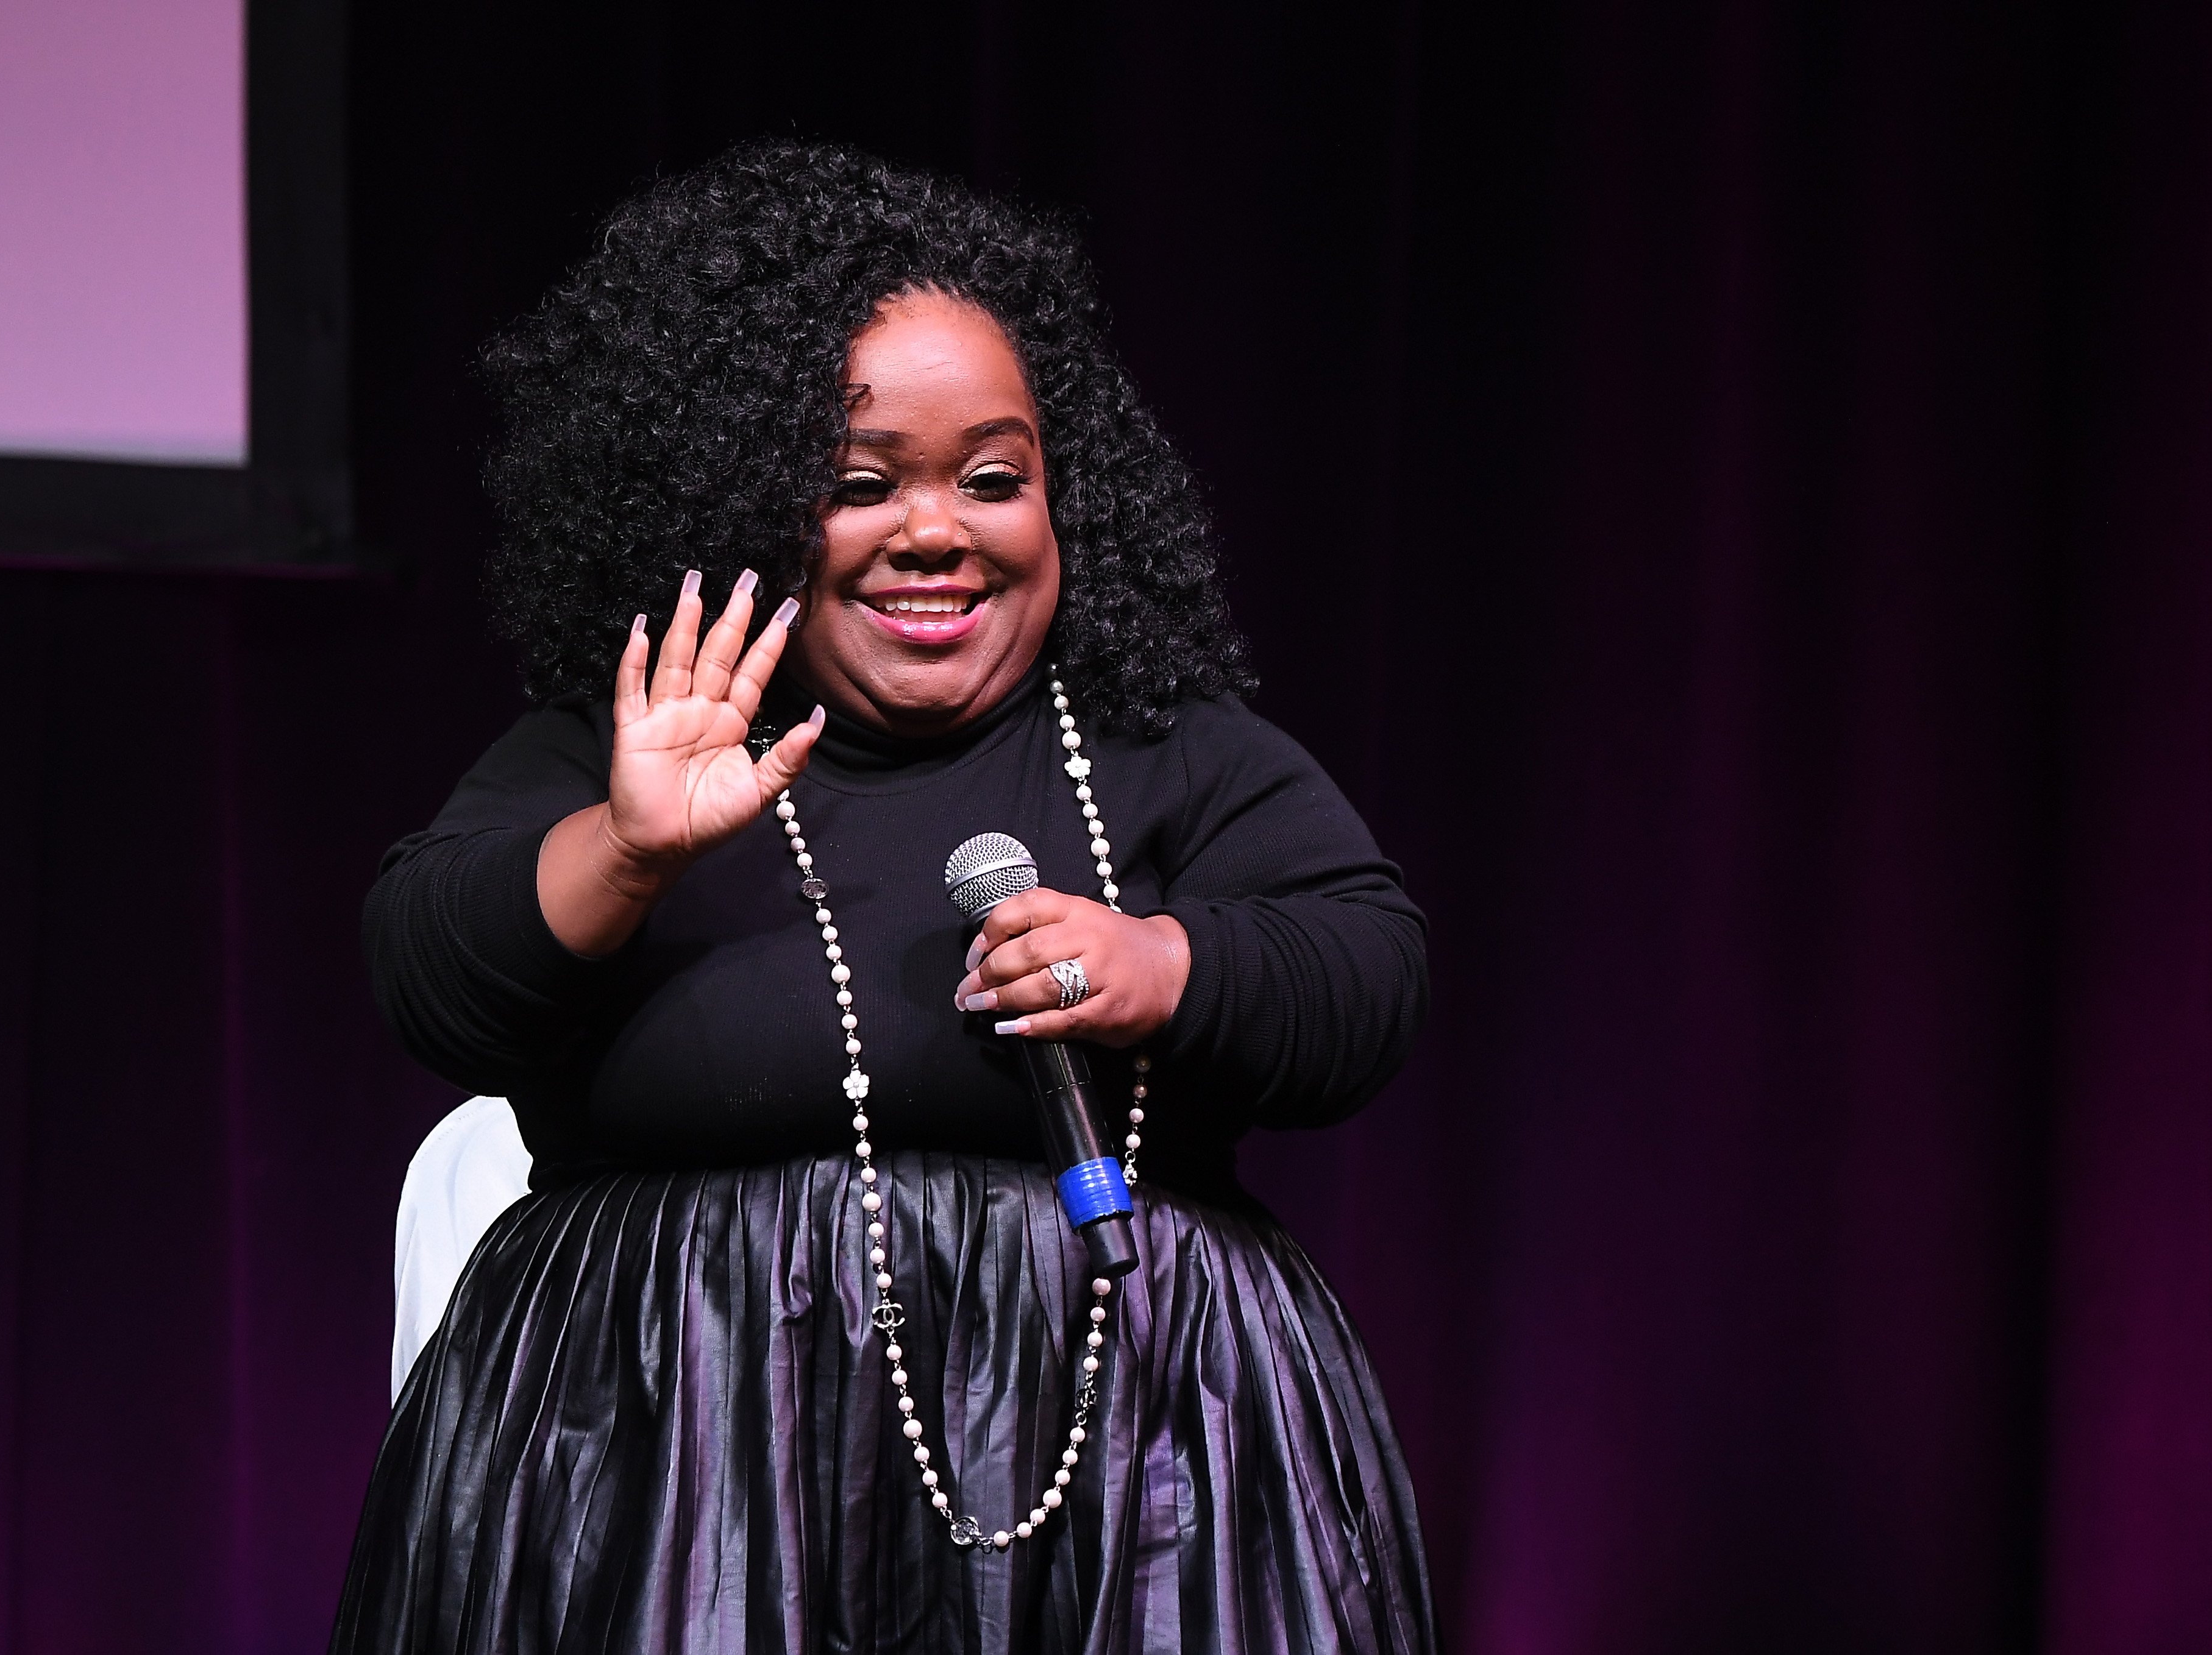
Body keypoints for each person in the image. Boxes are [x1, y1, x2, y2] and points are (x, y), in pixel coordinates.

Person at [332, 140, 1435, 1655]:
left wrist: (1167, 962)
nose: (936, 528)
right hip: (670, 1465)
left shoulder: (1164, 748)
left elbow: (1366, 967)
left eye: (995, 477)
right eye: (859, 485)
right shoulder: (647, 740)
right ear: (740, 502)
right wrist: (628, 846)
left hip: (1137, 1480)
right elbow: (429, 975)